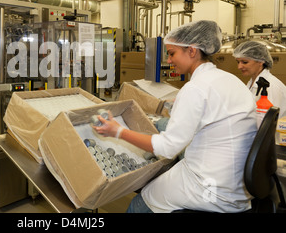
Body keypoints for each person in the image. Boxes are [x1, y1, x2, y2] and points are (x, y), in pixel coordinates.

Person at [93, 20, 257, 213]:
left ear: (192, 51)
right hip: (236, 184)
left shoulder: (195, 88)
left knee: (140, 203)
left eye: (172, 53)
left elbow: (168, 147)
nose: (169, 60)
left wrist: (118, 131)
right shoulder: (230, 79)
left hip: (211, 189)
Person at [233, 40, 286, 120]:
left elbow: (269, 122)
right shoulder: (252, 82)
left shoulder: (271, 86)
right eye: (238, 62)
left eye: (244, 62)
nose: (239, 67)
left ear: (260, 61)